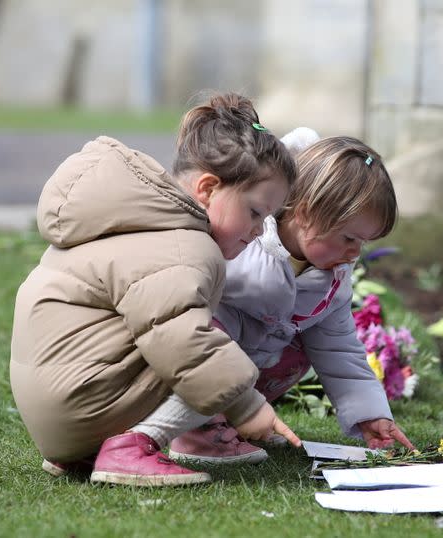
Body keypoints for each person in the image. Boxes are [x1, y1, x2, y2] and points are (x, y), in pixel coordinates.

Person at [9, 92, 301, 487]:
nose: (256, 233)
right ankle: (129, 448)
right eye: (253, 213)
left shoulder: (138, 219)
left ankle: (95, 448)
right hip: (82, 404)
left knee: (195, 341)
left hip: (60, 413)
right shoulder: (186, 247)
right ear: (208, 188)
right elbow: (184, 342)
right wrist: (248, 406)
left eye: (265, 219)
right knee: (210, 342)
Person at [168, 133, 414, 464]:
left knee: (303, 348)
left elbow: (338, 347)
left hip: (243, 373)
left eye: (364, 243)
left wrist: (371, 415)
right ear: (305, 212)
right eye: (349, 238)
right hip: (190, 362)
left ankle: (232, 419)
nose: (355, 253)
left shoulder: (330, 277)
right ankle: (194, 432)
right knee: (212, 330)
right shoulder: (244, 241)